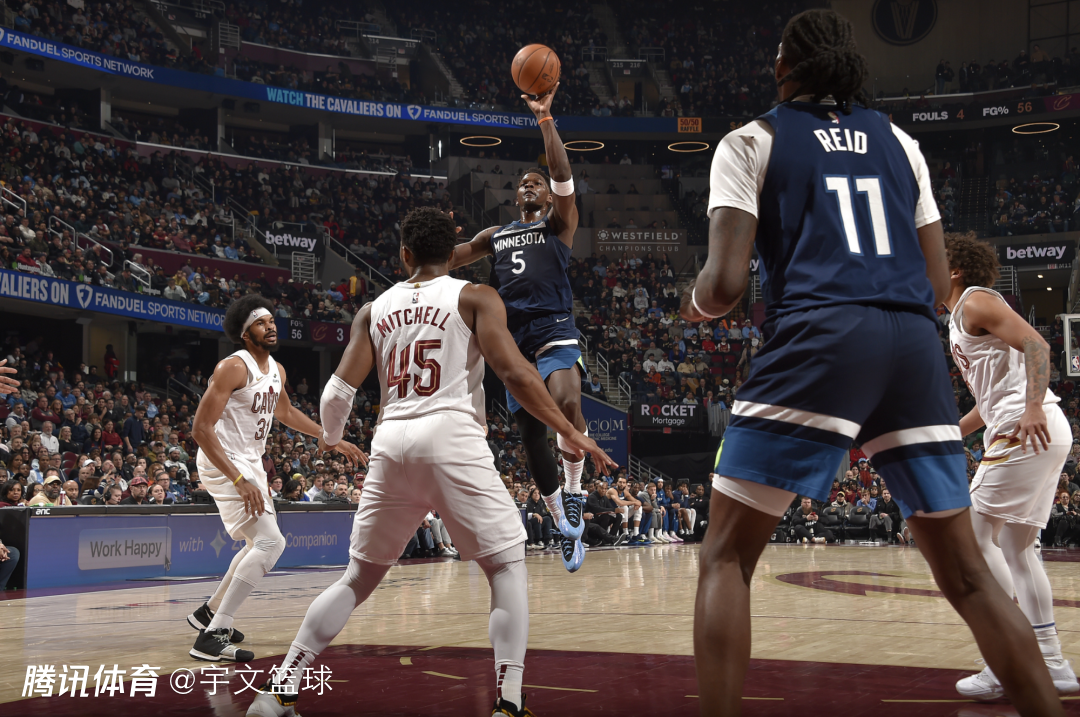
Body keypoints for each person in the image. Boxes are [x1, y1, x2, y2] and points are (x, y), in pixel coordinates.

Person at [683, 9, 1063, 716]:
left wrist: (694, 304)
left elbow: (726, 286)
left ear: (782, 67)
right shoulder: (901, 142)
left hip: (822, 333)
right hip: (912, 342)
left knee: (726, 556)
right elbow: (937, 277)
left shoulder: (751, 140)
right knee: (971, 575)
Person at [245, 207, 613, 717]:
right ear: (455, 252)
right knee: (506, 565)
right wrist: (570, 431)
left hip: (391, 441)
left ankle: (278, 690)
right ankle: (508, 702)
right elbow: (517, 374)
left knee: (356, 578)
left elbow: (335, 395)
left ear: (405, 255)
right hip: (451, 435)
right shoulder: (476, 296)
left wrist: (331, 438)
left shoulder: (373, 309)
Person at [450, 82, 591, 573]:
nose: (531, 186)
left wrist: (545, 119)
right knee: (531, 434)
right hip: (512, 339)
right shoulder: (496, 234)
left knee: (567, 403)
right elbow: (448, 259)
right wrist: (427, 245)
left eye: (538, 182)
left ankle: (574, 492)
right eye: (524, 183)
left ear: (548, 196)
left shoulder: (558, 225)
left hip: (554, 326)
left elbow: (562, 174)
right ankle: (560, 521)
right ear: (516, 196)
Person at [186, 294, 362, 664]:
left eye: (271, 321)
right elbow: (201, 429)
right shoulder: (233, 367)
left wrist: (328, 437)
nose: (270, 327)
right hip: (224, 460)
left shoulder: (277, 370)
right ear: (244, 333)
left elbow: (285, 412)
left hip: (249, 461)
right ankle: (213, 634)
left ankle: (209, 612)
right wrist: (239, 479)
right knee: (270, 543)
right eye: (260, 323)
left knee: (259, 542)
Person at [943, 232, 1079, 698]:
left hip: (1028, 427)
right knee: (1017, 549)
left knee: (973, 539)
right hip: (1041, 428)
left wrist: (1033, 405)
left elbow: (1038, 346)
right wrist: (953, 432)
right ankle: (1052, 665)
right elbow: (990, 400)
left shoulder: (975, 301)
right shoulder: (960, 315)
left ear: (954, 269)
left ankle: (1006, 660)